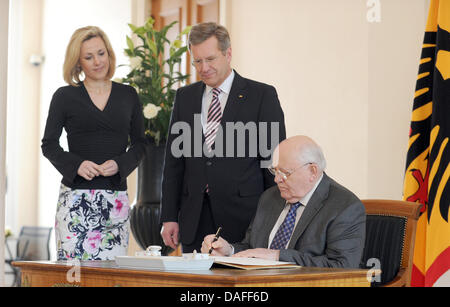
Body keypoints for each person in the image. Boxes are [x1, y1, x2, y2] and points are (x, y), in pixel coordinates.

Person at [161, 22, 286, 253]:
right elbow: (174, 163)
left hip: (244, 221)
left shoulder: (261, 96)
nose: (204, 67)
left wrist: (274, 219)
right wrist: (169, 216)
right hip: (194, 219)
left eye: (210, 59)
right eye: (197, 61)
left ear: (228, 54)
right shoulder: (184, 97)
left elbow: (273, 164)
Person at [41, 26, 147, 260]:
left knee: (109, 279)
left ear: (109, 53)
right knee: (73, 279)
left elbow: (141, 143)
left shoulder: (128, 95)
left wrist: (120, 164)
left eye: (101, 53)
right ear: (78, 63)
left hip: (115, 201)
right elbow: (49, 144)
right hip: (74, 200)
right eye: (89, 57)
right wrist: (76, 165)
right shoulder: (64, 96)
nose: (97, 61)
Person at [201, 135, 366, 268]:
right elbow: (253, 249)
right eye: (275, 170)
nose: (277, 179)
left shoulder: (344, 206)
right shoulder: (270, 198)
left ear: (312, 171)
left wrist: (278, 256)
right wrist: (229, 251)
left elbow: (343, 266)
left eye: (285, 172)